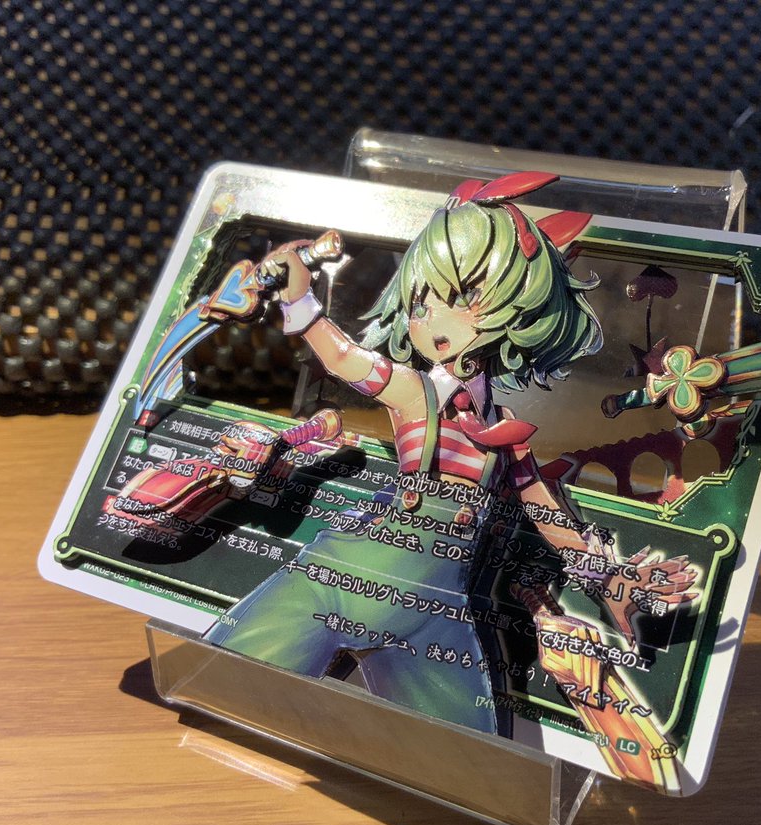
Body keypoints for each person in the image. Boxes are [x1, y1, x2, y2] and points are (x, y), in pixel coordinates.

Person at [205, 173, 696, 735]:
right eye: (420, 302)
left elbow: (546, 511)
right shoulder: (414, 392)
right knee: (221, 687)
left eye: (460, 299)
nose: (431, 320)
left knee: (467, 753)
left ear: (521, 311)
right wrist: (300, 298)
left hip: (434, 609)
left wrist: (611, 576)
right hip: (340, 577)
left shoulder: (506, 432)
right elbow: (343, 360)